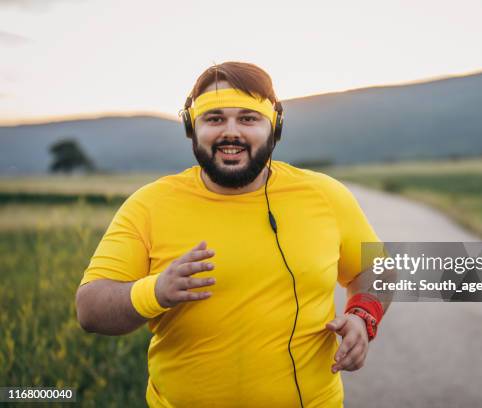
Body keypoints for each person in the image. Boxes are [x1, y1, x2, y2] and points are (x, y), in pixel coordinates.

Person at [75, 61, 391, 407]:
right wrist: (156, 291)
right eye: (214, 119)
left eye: (247, 118)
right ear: (190, 127)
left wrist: (363, 316)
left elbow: (377, 268)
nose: (231, 132)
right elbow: (89, 309)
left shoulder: (325, 195)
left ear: (275, 127)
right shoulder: (149, 205)